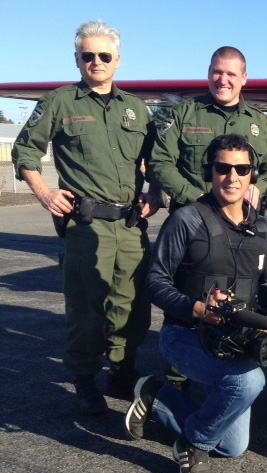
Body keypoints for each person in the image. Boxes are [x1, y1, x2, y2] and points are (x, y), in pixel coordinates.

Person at [11, 20, 159, 414]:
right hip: (86, 226)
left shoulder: (136, 109)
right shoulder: (60, 102)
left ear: (117, 61)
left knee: (131, 307)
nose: (96, 61)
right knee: (86, 308)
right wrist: (43, 191)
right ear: (77, 59)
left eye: (104, 55)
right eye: (88, 55)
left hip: (130, 227)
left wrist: (157, 195)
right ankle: (84, 379)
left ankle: (123, 372)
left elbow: (157, 161)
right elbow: (25, 151)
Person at [124, 134, 267, 473]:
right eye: (222, 168)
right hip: (184, 335)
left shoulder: (264, 228)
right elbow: (154, 282)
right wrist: (195, 308)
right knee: (249, 382)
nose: (232, 177)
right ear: (209, 172)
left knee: (233, 446)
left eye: (241, 169)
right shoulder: (186, 220)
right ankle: (193, 445)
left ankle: (157, 395)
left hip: (234, 342)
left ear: (252, 175)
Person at [148, 45, 267, 214]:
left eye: (231, 74)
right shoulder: (183, 115)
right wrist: (197, 198)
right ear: (208, 73)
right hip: (192, 218)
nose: (222, 80)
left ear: (244, 78)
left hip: (243, 223)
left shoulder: (261, 123)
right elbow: (161, 163)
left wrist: (258, 188)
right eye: (217, 72)